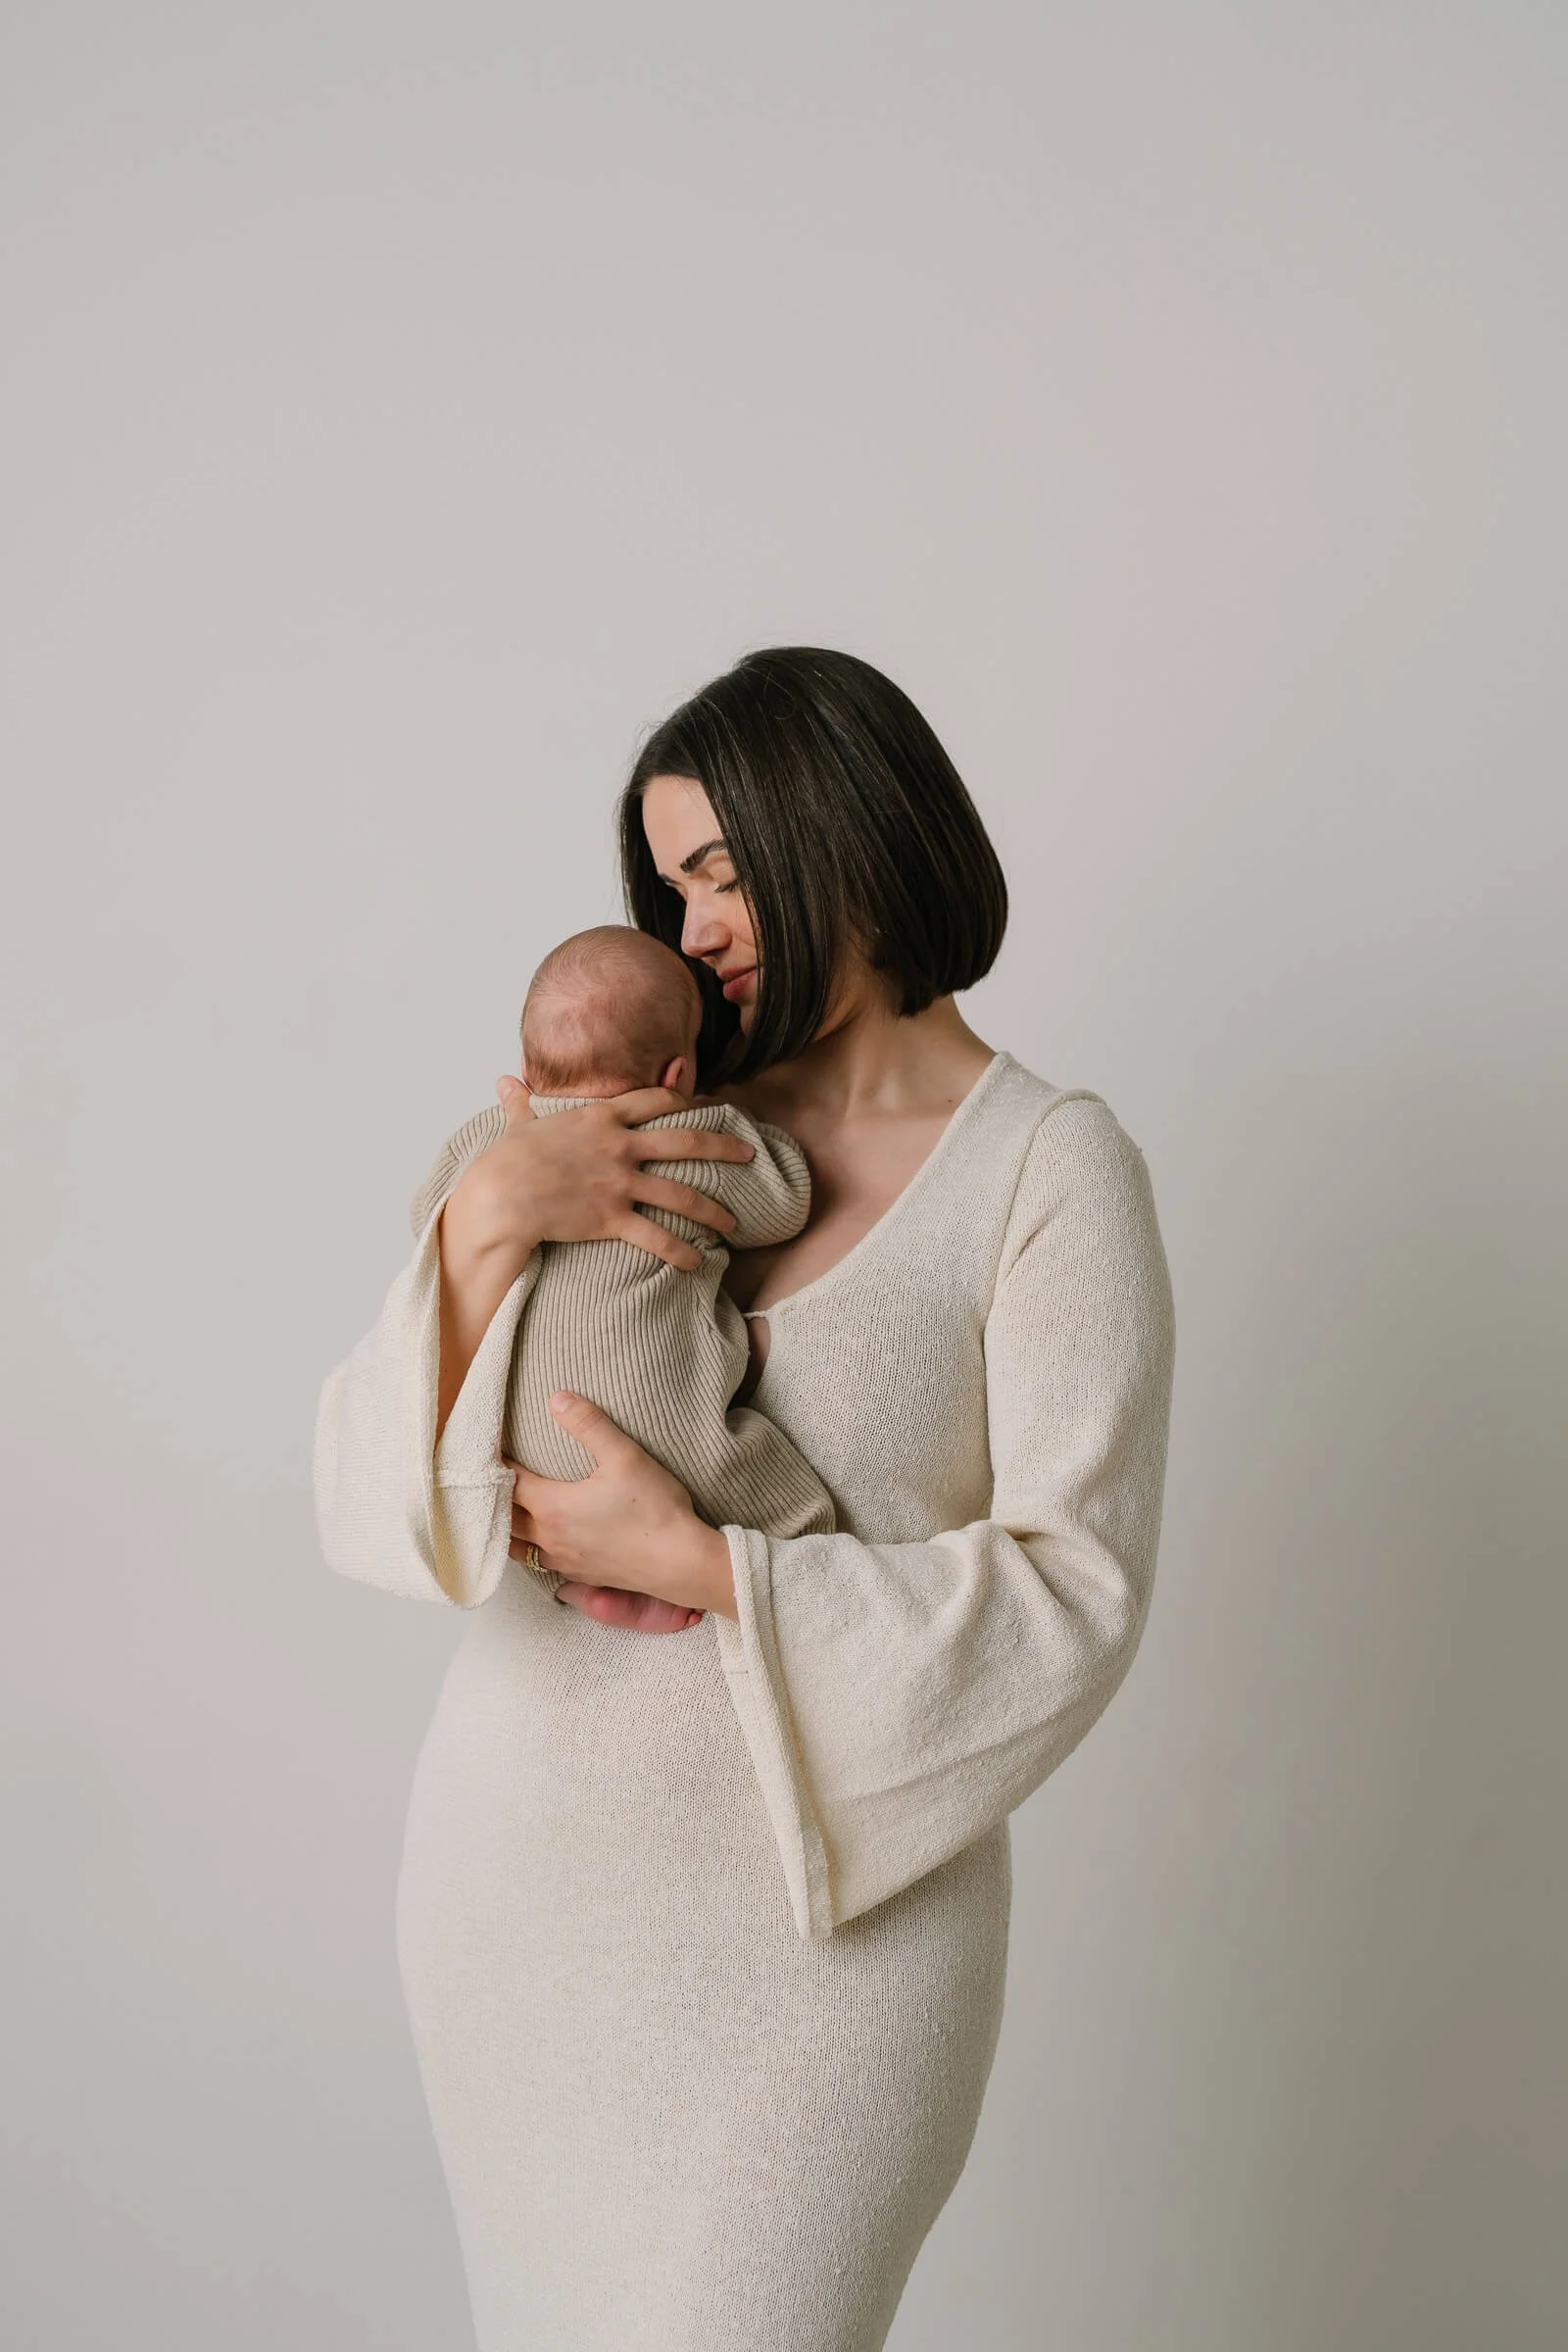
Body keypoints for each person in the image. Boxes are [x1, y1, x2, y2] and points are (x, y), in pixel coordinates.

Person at [313, 645, 1177, 2352]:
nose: (694, 928)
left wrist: (708, 1565)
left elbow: (1078, 1596)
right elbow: (364, 1481)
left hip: (824, 1944)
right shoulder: (644, 1115)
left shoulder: (1047, 1169)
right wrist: (489, 1219)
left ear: (846, 826)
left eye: (720, 868)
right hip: (518, 1889)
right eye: (669, 882)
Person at [400, 921, 834, 1619]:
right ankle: (792, 1579)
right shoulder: (688, 1137)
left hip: (528, 1462)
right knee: (785, 1522)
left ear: (525, 1061)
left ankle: (582, 1591)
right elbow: (786, 1199)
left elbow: (430, 1220)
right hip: (666, 1439)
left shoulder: (488, 1140)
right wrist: (736, 1119)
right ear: (677, 1074)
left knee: (520, 1519)